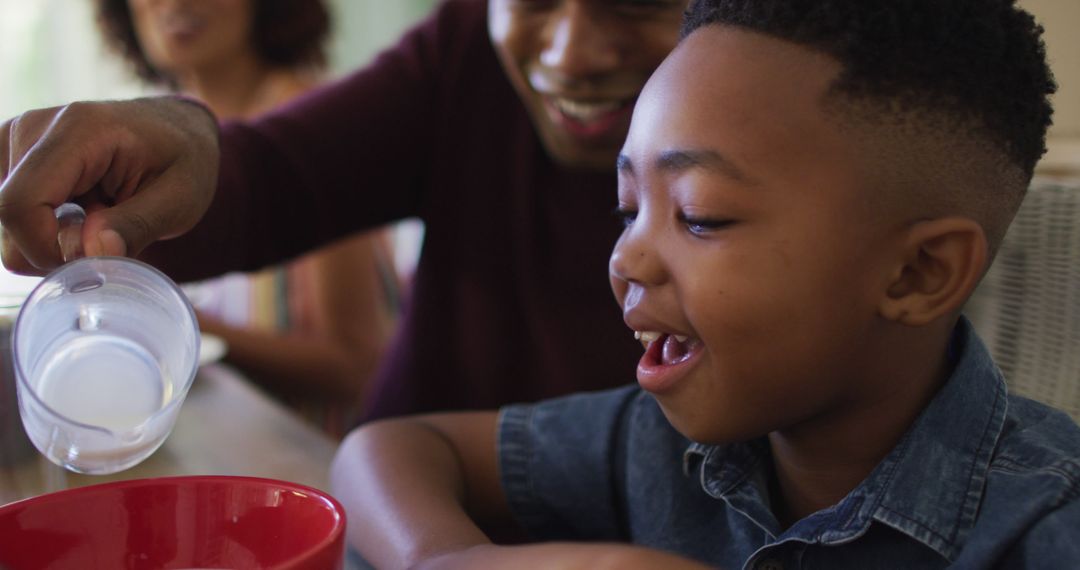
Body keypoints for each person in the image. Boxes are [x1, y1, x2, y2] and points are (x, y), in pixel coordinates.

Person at [326, 0, 1080, 568]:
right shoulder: (652, 443)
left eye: (701, 217)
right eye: (627, 209)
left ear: (920, 273)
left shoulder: (1044, 527)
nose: (626, 260)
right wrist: (457, 560)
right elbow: (391, 449)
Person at [0, 0, 688, 422]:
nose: (569, 54)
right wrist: (179, 145)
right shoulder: (461, 50)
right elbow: (272, 173)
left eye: (637, 1)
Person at [95, 0, 402, 435]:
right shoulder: (164, 137)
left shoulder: (309, 126)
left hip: (324, 460)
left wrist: (179, 318)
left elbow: (357, 369)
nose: (176, 3)